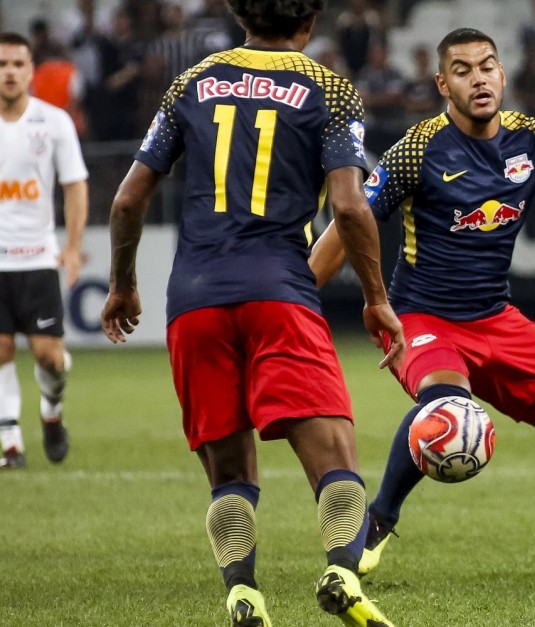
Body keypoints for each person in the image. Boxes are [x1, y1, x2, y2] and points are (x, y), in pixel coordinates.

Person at [310, 27, 535, 581]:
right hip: (422, 317)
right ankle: (375, 526)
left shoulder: (533, 137)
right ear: (443, 83)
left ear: (503, 75)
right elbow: (349, 223)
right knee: (446, 410)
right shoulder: (417, 150)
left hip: (496, 318)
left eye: (487, 66)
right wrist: (295, 302)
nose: (478, 78)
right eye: (462, 70)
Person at [100, 2, 404, 625]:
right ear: (310, 21)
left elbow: (128, 199)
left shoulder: (194, 80)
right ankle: (343, 573)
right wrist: (376, 297)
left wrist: (122, 284)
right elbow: (349, 208)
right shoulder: (328, 88)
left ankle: (243, 592)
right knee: (337, 461)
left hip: (194, 299)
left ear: (239, 13)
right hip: (279, 291)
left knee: (230, 474)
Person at [0, 32, 88, 470]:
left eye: (17, 64)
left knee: (49, 357)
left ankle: (52, 412)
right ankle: (10, 441)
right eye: (2, 64)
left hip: (36, 258)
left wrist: (72, 246)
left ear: (31, 70)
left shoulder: (53, 122)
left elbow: (74, 184)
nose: (10, 72)